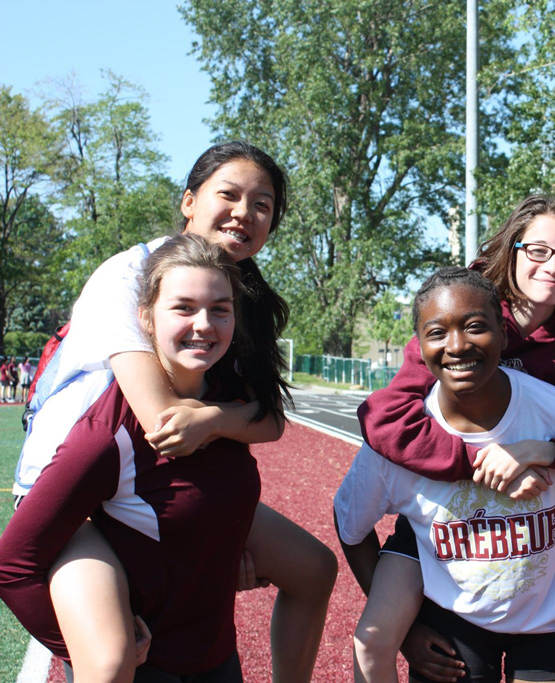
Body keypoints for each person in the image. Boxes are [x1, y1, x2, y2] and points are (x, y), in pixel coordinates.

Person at [12, 141, 336, 682]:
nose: (245, 212)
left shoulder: (243, 294)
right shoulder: (131, 275)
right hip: (81, 485)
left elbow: (271, 420)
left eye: (263, 204)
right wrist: (208, 535)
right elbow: (164, 423)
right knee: (111, 657)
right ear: (189, 201)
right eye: (228, 194)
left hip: (162, 476)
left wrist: (218, 423)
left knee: (314, 569)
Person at [352, 196, 555, 683]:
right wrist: (483, 464)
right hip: (454, 509)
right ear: (509, 250)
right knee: (373, 641)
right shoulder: (465, 315)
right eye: (537, 249)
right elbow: (385, 418)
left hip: (550, 506)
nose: (552, 265)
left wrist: (543, 453)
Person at [0, 233, 264, 681]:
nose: (204, 324)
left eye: (220, 309)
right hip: (151, 668)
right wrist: (90, 652)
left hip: (218, 656)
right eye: (183, 307)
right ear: (145, 319)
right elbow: (13, 563)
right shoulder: (109, 432)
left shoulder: (231, 402)